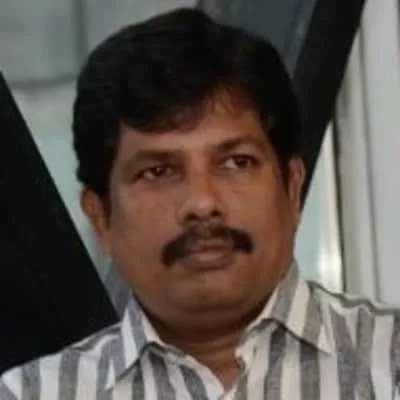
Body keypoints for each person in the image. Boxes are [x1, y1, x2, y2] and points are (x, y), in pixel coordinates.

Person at [1, 7, 399, 400]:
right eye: (158, 171)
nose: (202, 202)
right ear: (100, 216)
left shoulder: (388, 360)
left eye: (236, 162)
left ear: (292, 188)